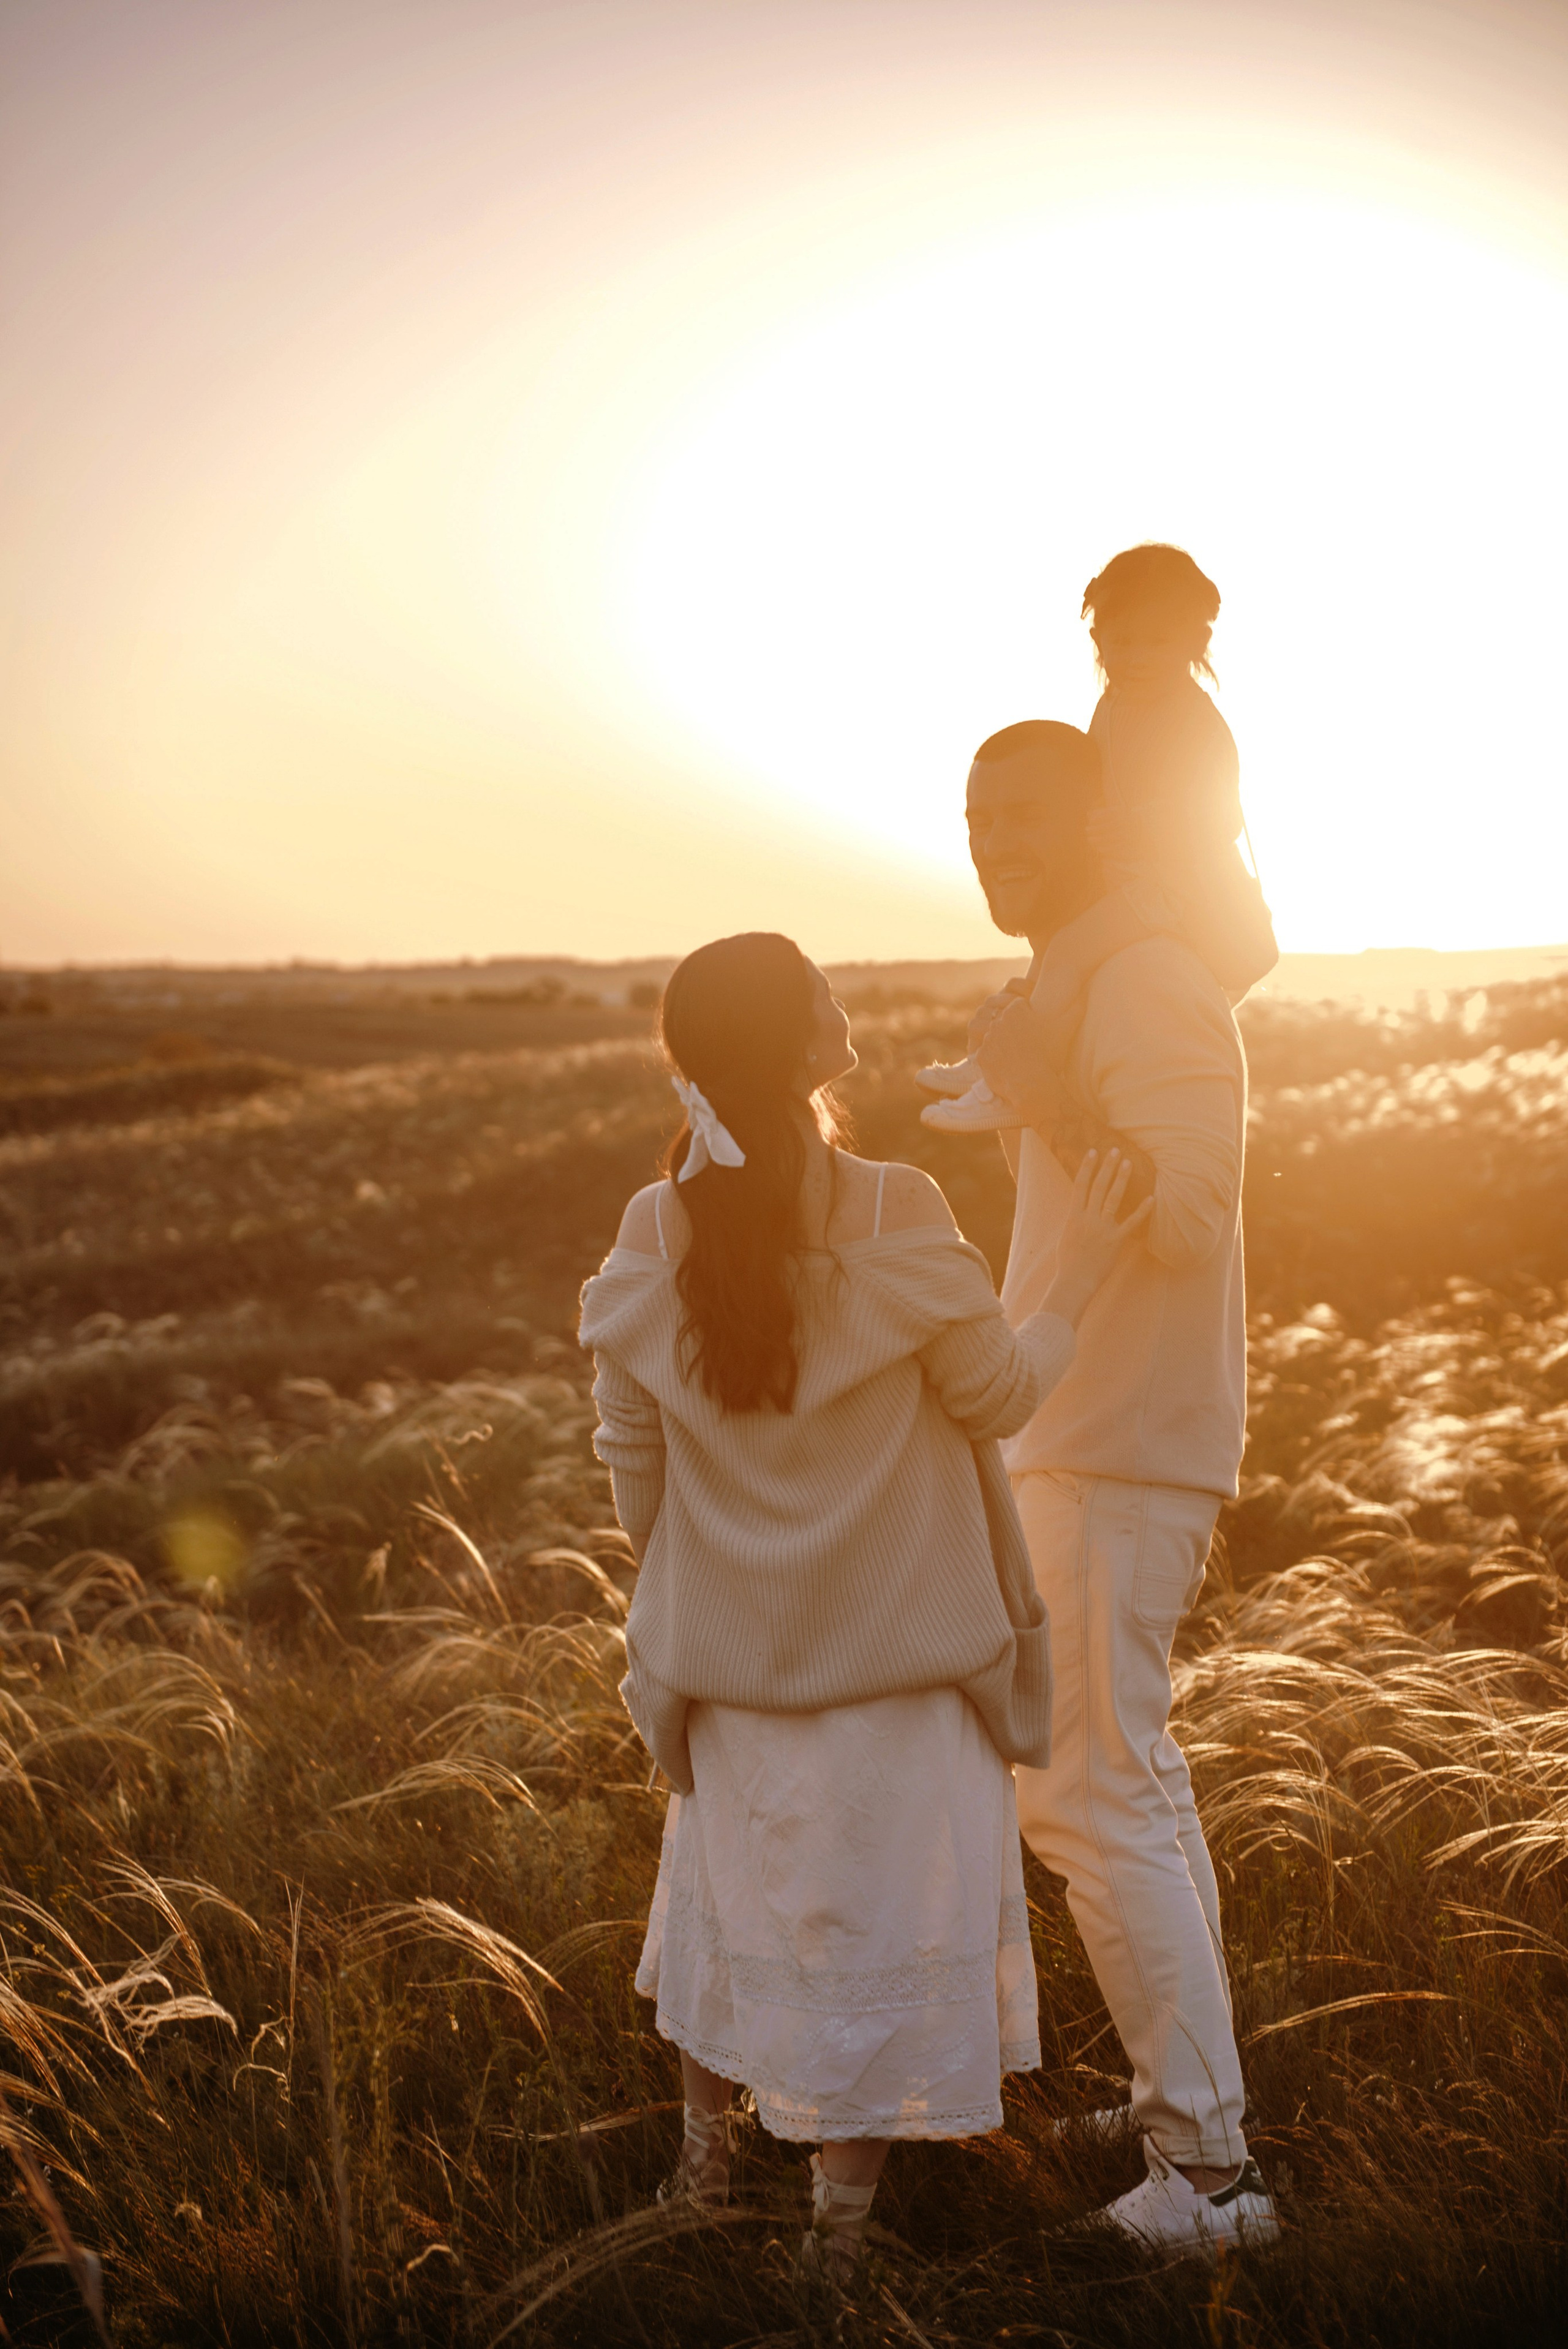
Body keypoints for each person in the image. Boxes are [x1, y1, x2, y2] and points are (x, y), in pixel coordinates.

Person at [578, 930, 1148, 2282]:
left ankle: (699, 2177)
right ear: (795, 1044)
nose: (845, 1004)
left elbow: (631, 1465)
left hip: (726, 1680)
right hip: (898, 1674)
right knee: (871, 1946)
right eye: (820, 992)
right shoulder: (895, 1208)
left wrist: (725, 1570)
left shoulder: (655, 1224)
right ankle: (834, 2257)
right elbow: (999, 1395)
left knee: (734, 1925)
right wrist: (1077, 1271)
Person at [963, 720, 1282, 2253]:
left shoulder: (1150, 973)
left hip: (1114, 1444)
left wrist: (1043, 1087)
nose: (990, 834)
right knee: (1122, 1781)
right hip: (1082, 1438)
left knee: (1089, 1792)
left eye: (1024, 808)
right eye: (974, 813)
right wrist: (1020, 1081)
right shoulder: (1075, 980)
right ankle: (1188, 2099)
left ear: (1099, 816)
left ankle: (1206, 2173)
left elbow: (1185, 1209)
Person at [921, 544, 1276, 1133]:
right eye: (1121, 640)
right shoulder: (1113, 705)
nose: (1136, 656)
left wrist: (1141, 825)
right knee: (1052, 953)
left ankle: (1013, 1083)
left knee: (1068, 956)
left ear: (1194, 642)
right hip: (1124, 879)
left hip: (1170, 892)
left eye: (1156, 642)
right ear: (1100, 639)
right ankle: (992, 1062)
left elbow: (1220, 819)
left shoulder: (1195, 723)